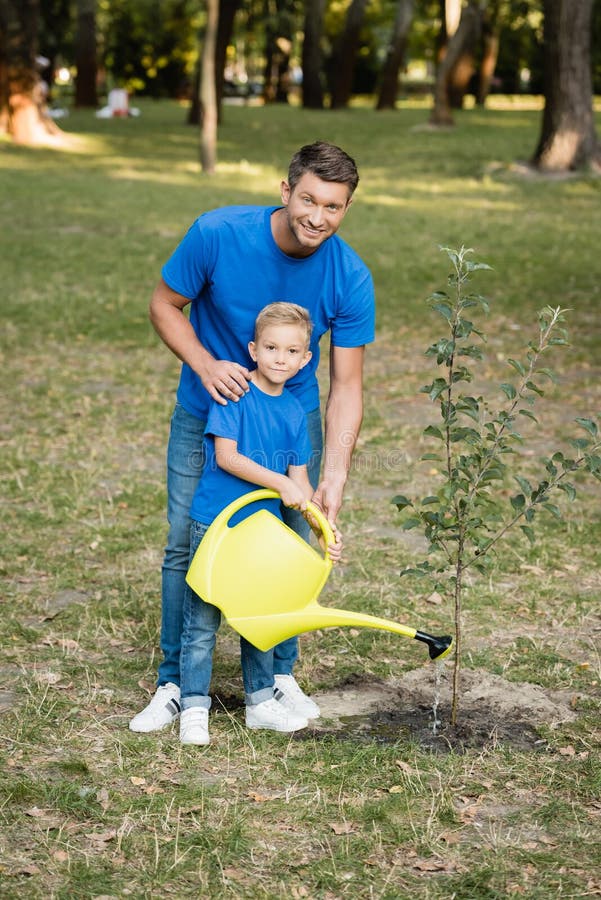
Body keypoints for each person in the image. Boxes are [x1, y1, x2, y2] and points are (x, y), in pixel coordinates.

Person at [129, 140, 375, 734]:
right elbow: (165, 304)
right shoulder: (217, 233)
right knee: (189, 544)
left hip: (292, 422)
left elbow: (347, 384)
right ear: (285, 190)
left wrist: (333, 476)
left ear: (347, 210)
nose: (318, 216)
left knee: (291, 542)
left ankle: (277, 677)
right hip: (210, 413)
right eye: (309, 199)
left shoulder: (349, 274)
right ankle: (172, 682)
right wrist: (205, 364)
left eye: (334, 207)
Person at [178, 303, 342, 745]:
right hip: (216, 525)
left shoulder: (293, 412)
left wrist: (325, 529)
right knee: (202, 622)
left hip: (260, 535)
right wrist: (277, 483)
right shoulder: (236, 394)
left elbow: (300, 484)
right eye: (271, 347)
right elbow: (228, 457)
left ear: (305, 359)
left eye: (291, 351)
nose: (280, 358)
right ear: (254, 349)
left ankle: (260, 702)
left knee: (259, 618)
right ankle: (193, 706)